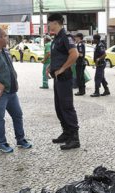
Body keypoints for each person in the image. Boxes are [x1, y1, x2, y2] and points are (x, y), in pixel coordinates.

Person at [0, 27, 32, 153]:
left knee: (18, 115)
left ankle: (20, 140)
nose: (7, 38)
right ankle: (2, 143)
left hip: (11, 92)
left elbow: (8, 69)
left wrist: (14, 81)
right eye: (5, 36)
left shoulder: (5, 50)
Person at [47, 13, 80, 150]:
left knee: (66, 107)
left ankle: (74, 138)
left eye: (49, 23)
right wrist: (51, 66)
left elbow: (74, 54)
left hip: (64, 77)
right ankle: (66, 133)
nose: (48, 25)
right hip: (57, 78)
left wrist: (62, 69)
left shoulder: (66, 37)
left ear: (55, 23)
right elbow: (59, 55)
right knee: (59, 107)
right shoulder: (57, 38)